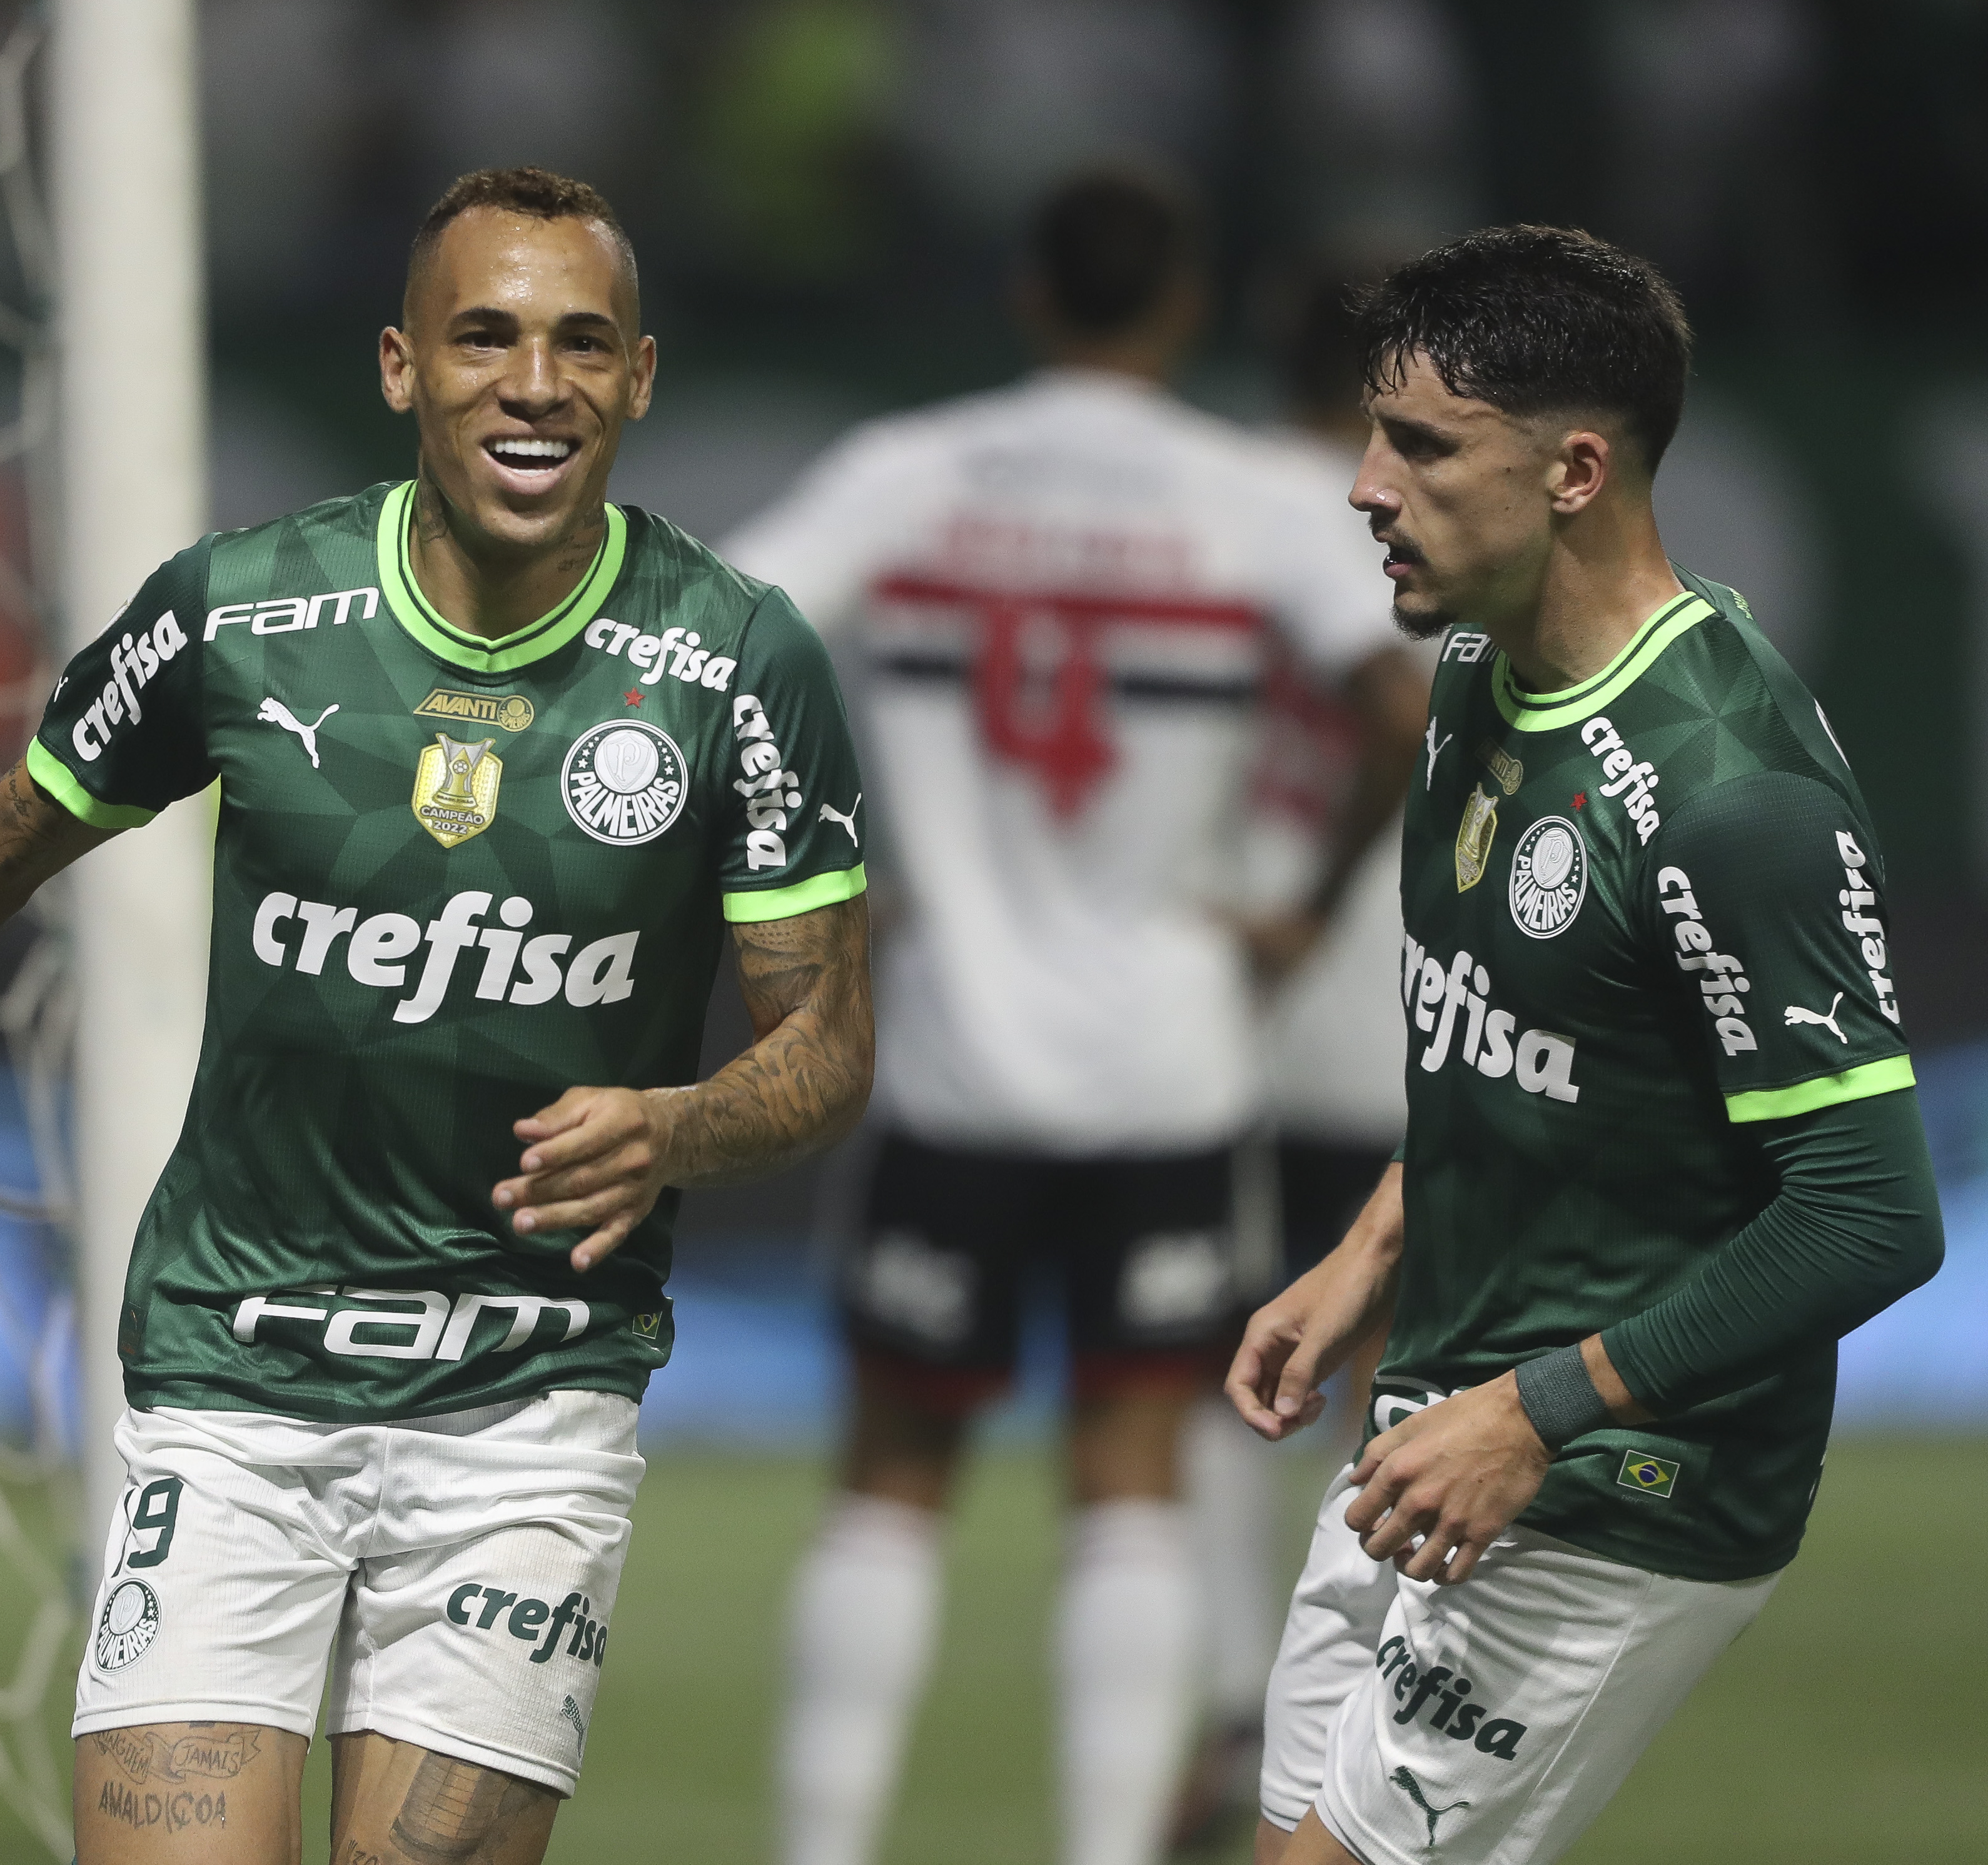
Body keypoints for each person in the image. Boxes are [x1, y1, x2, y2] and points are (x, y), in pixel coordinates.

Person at [0, 166, 875, 1865]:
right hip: (232, 1383)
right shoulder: (244, 611)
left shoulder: (731, 661)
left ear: (638, 378)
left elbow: (827, 1044)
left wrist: (678, 1122)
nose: (535, 381)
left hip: (524, 1406)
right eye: (483, 334)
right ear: (401, 365)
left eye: (581, 342)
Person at [728, 169, 1425, 1865]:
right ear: (1179, 310)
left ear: (1031, 296)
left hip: (956, 1047)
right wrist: (1302, 906)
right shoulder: (1248, 494)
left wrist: (819, 872)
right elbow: (1401, 706)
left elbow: (722, 644)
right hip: (1168, 1058)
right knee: (1132, 1474)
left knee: (893, 1475)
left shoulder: (914, 470)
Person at [1230, 226, 1944, 1865]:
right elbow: (1528, 1049)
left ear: (1574, 468)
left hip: (1617, 1469)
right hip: (1439, 1420)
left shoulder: (1730, 792)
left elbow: (1870, 1211)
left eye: (1418, 445)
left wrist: (1542, 1408)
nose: (1361, 485)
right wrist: (1373, 1242)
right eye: (1369, 430)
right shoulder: (1478, 677)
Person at [1170, 271, 1433, 1847]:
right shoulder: (1422, 515)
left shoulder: (1198, 503)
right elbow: (1412, 718)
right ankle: (1361, 1696)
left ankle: (1221, 1701)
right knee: (1384, 1362)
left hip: (1207, 987)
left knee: (1214, 1353)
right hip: (1379, 992)